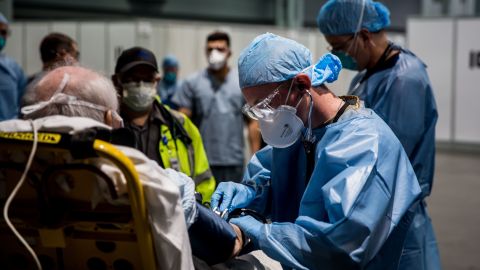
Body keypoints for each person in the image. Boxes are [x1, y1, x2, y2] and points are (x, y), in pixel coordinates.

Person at [210, 33, 426, 270]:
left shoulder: (366, 144)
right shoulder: (299, 132)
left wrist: (259, 232)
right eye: (255, 109)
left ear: (302, 84)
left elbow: (337, 247)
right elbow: (274, 183)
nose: (264, 117)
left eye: (266, 105)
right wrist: (249, 194)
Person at [14, 65, 246, 268]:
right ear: (109, 119)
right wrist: (243, 233)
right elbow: (225, 246)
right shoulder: (143, 178)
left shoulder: (12, 172)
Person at [317, 1, 440, 269]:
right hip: (376, 213)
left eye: (339, 47)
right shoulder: (367, 75)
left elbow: (389, 156)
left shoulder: (404, 79)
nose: (338, 55)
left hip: (397, 215)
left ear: (363, 35)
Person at [112, 47, 216, 203]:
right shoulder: (106, 126)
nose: (140, 85)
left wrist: (197, 214)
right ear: (116, 81)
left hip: (176, 221)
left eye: (147, 79)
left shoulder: (181, 126)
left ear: (157, 81)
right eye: (132, 79)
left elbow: (204, 182)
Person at [173, 31, 261, 183]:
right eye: (210, 49)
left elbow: (253, 122)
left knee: (232, 203)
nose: (214, 53)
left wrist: (256, 157)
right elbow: (182, 121)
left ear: (229, 52)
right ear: (205, 51)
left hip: (233, 161)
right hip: (203, 160)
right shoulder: (192, 83)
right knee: (204, 204)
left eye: (220, 49)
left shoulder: (242, 84)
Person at [0, 12, 27, 121]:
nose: (1, 36)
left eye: (3, 32)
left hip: (8, 130)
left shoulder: (13, 68)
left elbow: (24, 101)